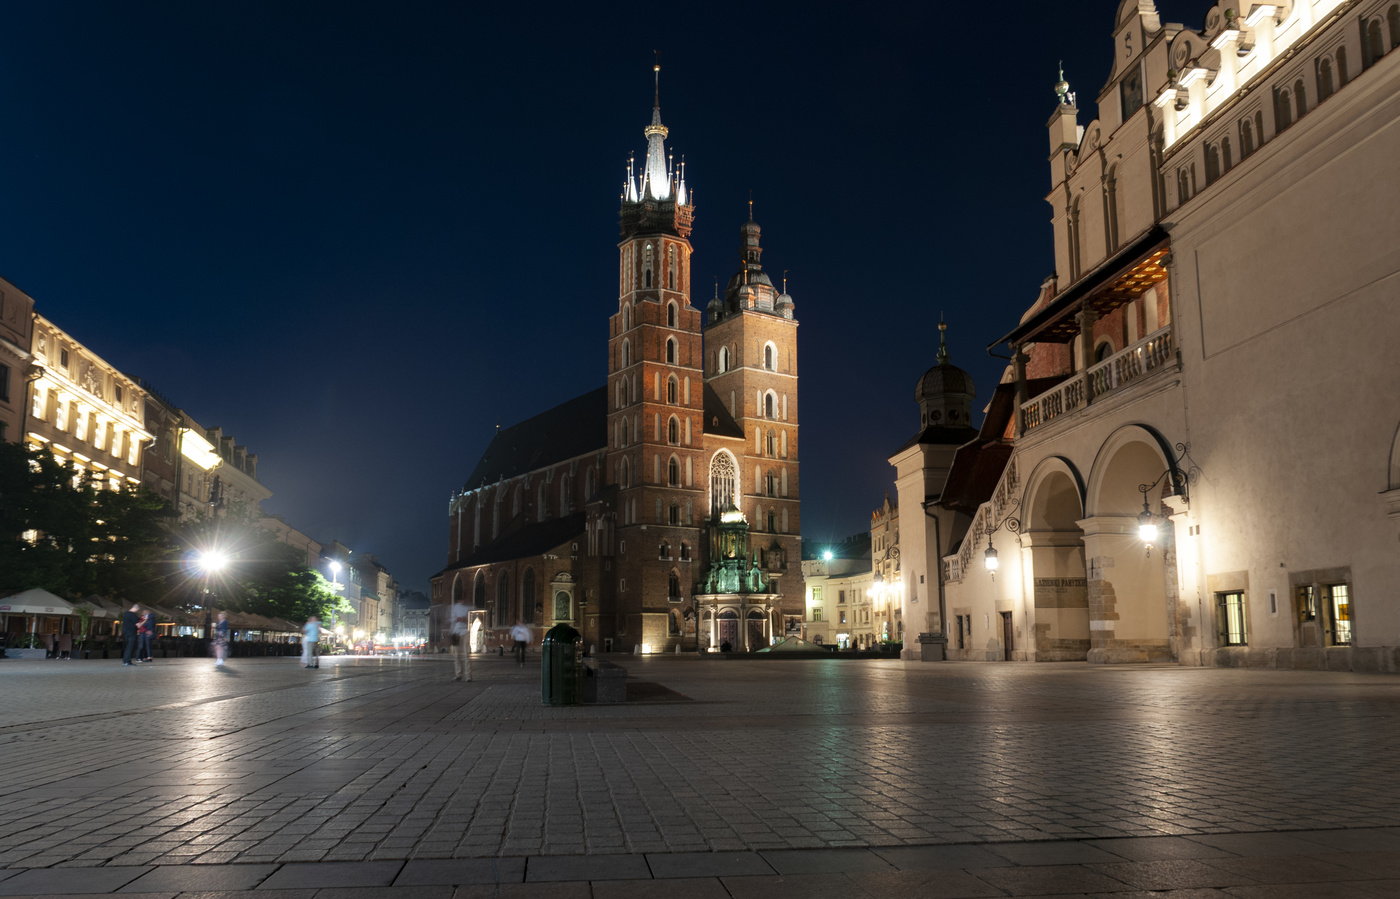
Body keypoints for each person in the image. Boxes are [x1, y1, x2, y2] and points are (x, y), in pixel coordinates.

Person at [450, 596, 471, 682]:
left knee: (466, 655)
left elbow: (471, 618)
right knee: (456, 655)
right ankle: (458, 674)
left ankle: (468, 676)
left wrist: (465, 619)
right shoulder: (455, 608)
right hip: (457, 633)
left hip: (465, 632)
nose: (462, 601)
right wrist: (456, 619)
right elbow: (451, 619)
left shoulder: (467, 608)